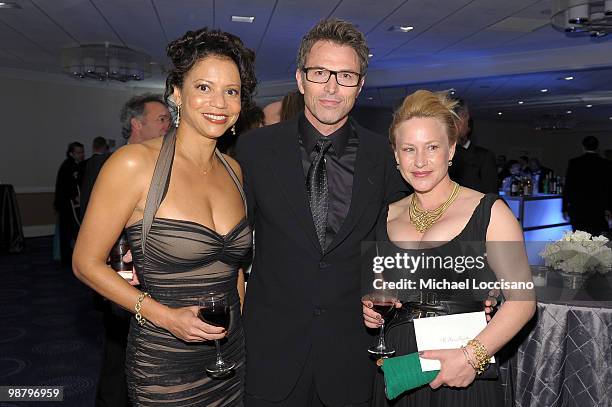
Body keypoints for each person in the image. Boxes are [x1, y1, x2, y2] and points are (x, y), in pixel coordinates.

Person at [73, 27, 256, 406]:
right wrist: (164, 316)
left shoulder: (235, 172)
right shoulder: (133, 164)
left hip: (232, 355)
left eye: (231, 91)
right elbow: (85, 263)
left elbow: (234, 269)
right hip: (166, 361)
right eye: (204, 87)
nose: (219, 102)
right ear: (177, 92)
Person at [235, 18, 409, 407]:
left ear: (360, 85)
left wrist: (472, 284)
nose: (331, 87)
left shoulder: (385, 156)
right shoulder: (254, 150)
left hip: (351, 357)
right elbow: (225, 232)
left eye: (346, 75)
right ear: (300, 79)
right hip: (271, 354)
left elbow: (403, 239)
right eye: (320, 73)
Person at [364, 90, 536, 406]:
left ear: (451, 149)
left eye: (432, 147)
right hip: (401, 366)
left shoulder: (490, 211)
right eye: (408, 149)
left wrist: (471, 357)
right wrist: (371, 310)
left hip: (462, 364)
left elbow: (522, 301)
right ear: (396, 154)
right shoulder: (384, 215)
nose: (419, 161)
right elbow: (382, 286)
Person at [79, 95, 170, 407]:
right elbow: (94, 230)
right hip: (119, 278)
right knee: (118, 358)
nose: (168, 125)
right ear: (137, 123)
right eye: (161, 119)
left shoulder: (164, 164)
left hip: (156, 282)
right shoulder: (107, 165)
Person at [563, 136, 612, 235]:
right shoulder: (605, 163)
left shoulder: (575, 162)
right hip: (597, 209)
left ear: (583, 147)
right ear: (597, 147)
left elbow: (568, 186)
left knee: (579, 238)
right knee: (596, 237)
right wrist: (609, 208)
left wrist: (564, 207)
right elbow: (608, 188)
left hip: (578, 208)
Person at [448, 100, 497, 193]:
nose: (454, 126)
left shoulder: (484, 157)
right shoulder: (440, 154)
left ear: (468, 127)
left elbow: (491, 195)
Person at [54, 141, 85, 266]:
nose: (81, 155)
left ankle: (72, 258)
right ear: (71, 153)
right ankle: (66, 260)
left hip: (71, 204)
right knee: (67, 232)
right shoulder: (68, 166)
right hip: (66, 205)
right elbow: (66, 186)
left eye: (82, 152)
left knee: (73, 231)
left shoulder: (77, 165)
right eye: (78, 152)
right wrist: (75, 196)